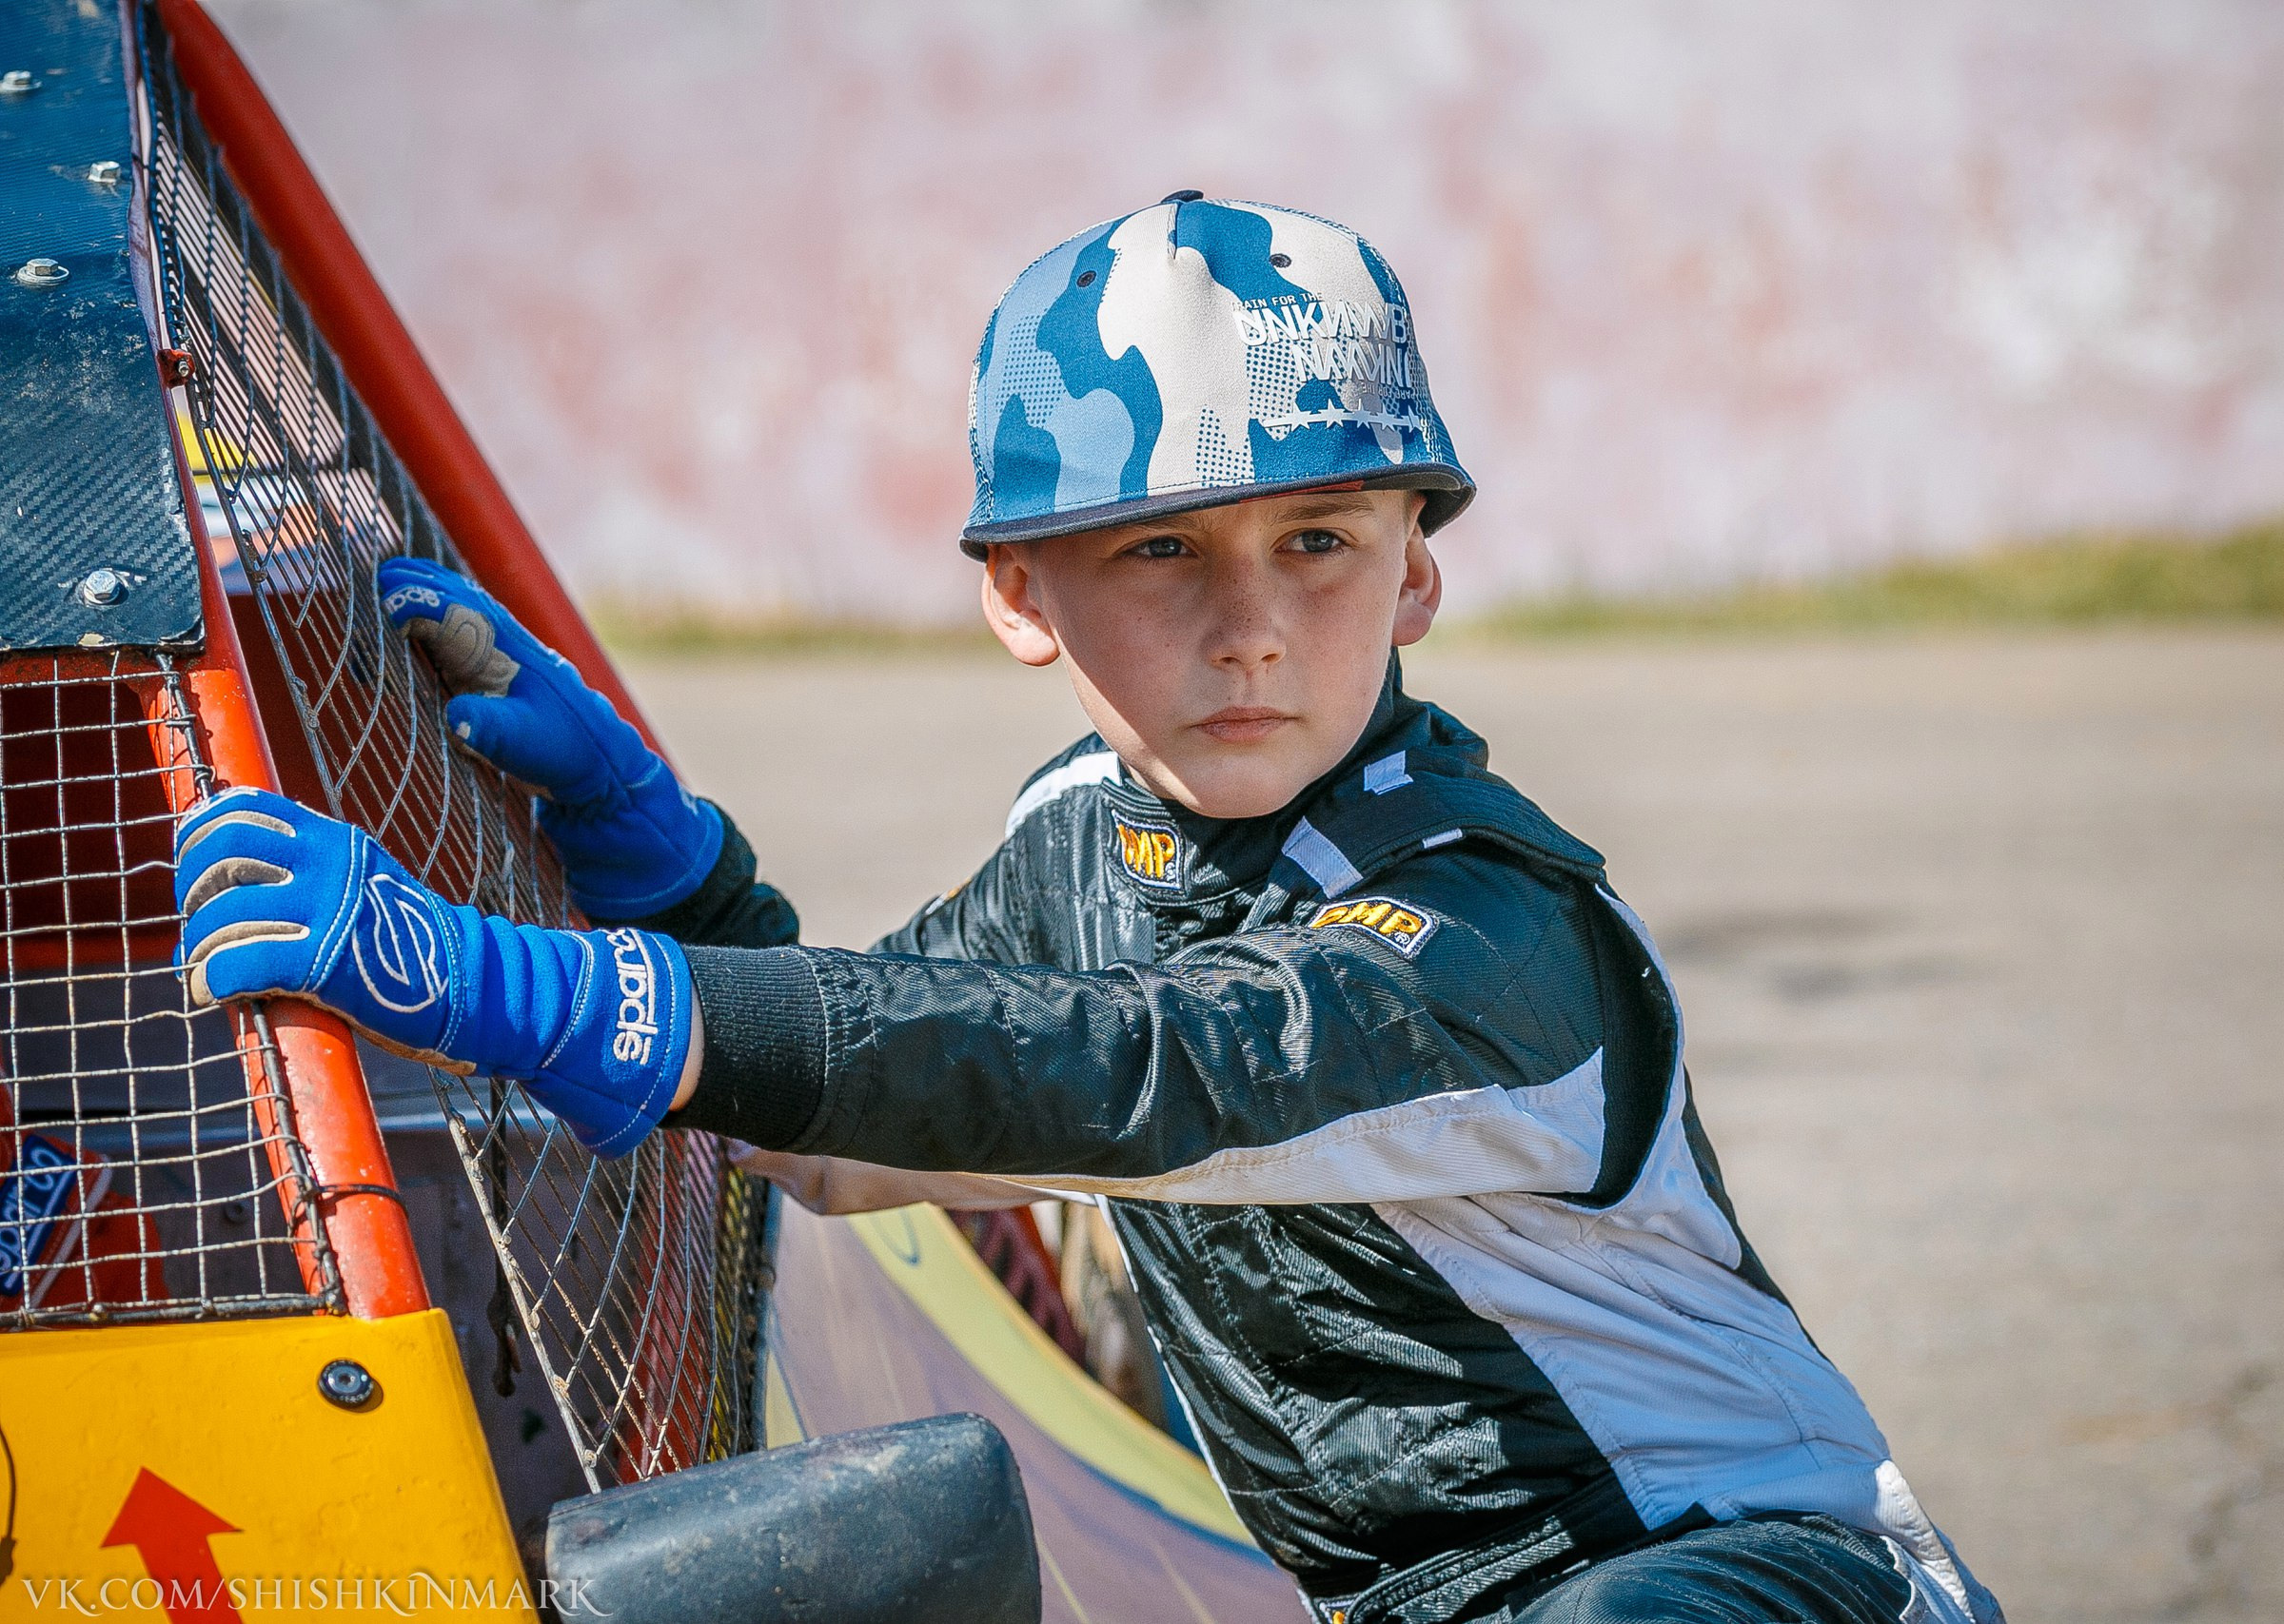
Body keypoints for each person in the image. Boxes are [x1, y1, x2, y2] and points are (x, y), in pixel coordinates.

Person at [174, 194, 2002, 1624]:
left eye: (1320, 541)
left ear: (1416, 577)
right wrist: (665, 861)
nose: (1252, 628)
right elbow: (876, 1118)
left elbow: (1128, 1074)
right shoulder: (1086, 836)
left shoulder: (1487, 932)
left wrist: (550, 989)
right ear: (1020, 595)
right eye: (1161, 549)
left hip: (1742, 1569)